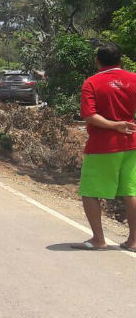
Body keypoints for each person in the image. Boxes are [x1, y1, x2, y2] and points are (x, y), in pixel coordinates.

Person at [72, 43, 136, 252]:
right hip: (131, 143)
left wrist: (114, 125)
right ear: (121, 60)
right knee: (130, 191)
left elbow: (90, 115)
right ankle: (133, 241)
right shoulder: (133, 79)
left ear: (98, 61)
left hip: (103, 146)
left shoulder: (91, 83)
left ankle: (99, 240)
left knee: (90, 192)